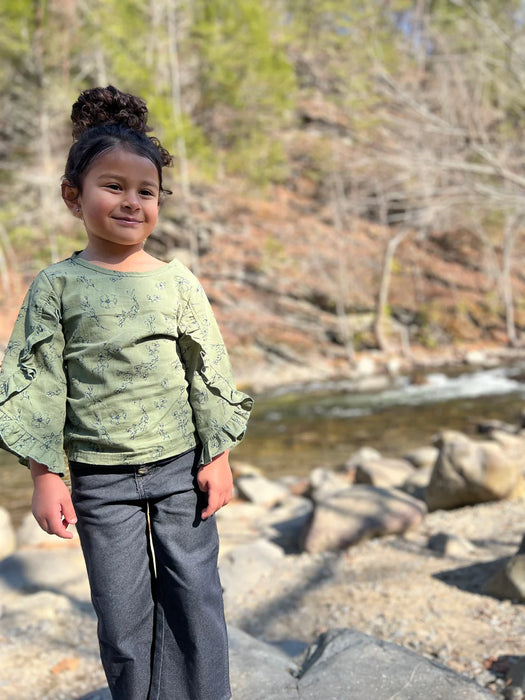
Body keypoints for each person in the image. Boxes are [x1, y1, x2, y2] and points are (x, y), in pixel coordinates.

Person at [0, 85, 253, 700]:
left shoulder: (177, 282)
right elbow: (37, 384)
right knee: (121, 618)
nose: (132, 201)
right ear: (74, 196)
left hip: (180, 469)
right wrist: (45, 475)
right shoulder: (58, 286)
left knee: (195, 599)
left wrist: (217, 457)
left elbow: (206, 371)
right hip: (98, 481)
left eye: (147, 191)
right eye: (112, 186)